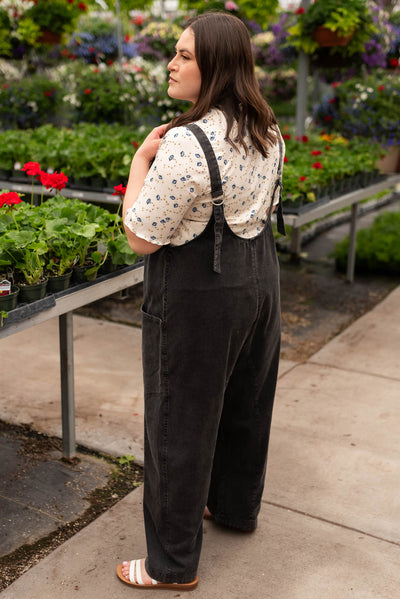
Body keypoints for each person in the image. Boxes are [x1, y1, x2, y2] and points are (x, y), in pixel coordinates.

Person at [116, 11, 286, 591]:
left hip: (198, 290)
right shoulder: (266, 127)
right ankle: (235, 509)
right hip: (260, 279)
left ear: (215, 66)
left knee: (178, 422)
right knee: (246, 401)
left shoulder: (186, 143)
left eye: (185, 55)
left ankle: (171, 566)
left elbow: (141, 236)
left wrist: (140, 161)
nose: (171, 63)